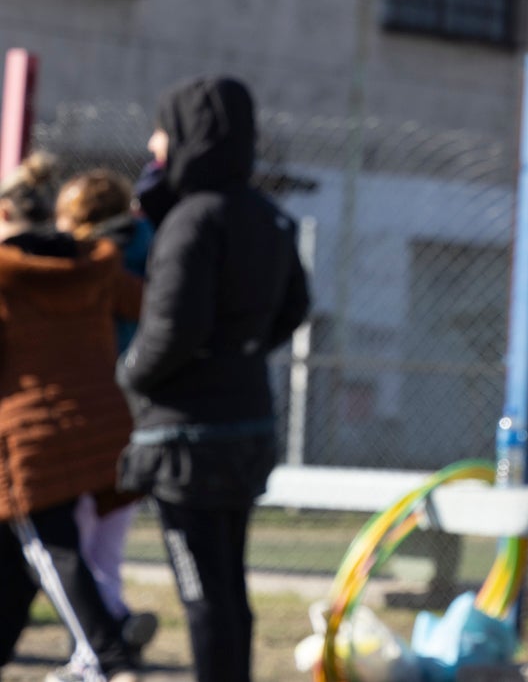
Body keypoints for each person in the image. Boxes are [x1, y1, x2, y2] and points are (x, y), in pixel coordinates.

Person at [118, 77, 311, 682]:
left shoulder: (190, 222)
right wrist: (239, 355)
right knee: (229, 584)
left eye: (163, 129)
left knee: (202, 591)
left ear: (186, 134)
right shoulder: (269, 217)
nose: (154, 143)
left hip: (187, 443)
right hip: (247, 424)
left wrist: (128, 374)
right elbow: (295, 308)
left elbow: (171, 329)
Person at [0, 153, 144, 682]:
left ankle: (112, 657)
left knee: (51, 549)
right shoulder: (96, 265)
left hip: (30, 436)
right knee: (19, 556)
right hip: (104, 423)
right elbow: (153, 308)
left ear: (5, 218)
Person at [56, 169, 158, 645]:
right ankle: (111, 619)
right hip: (140, 409)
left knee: (71, 536)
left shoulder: (89, 263)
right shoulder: (155, 245)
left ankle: (102, 631)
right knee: (109, 539)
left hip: (88, 407)